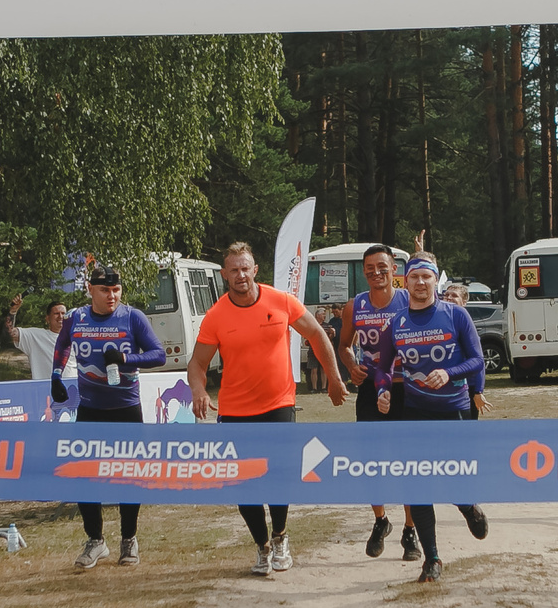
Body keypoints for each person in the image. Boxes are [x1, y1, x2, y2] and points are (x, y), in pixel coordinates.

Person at [186, 242, 347, 575]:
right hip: (235, 410)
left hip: (278, 404)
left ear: (255, 269)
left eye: (246, 268)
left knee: (278, 476)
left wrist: (333, 377)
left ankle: (281, 536)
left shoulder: (281, 301)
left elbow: (316, 335)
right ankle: (262, 546)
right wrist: (199, 390)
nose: (241, 275)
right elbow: (197, 363)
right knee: (244, 484)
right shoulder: (216, 315)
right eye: (234, 270)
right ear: (224, 274)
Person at [52, 266, 170, 569]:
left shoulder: (132, 317)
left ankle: (129, 538)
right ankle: (95, 540)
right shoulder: (76, 318)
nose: (112, 296)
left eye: (116, 290)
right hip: (90, 409)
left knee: (130, 476)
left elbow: (159, 354)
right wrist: (56, 376)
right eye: (105, 290)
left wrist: (127, 358)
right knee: (81, 475)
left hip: (126, 409)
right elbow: (63, 343)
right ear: (91, 289)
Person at [384, 252, 491, 582]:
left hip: (453, 410)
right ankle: (431, 559)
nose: (420, 282)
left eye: (426, 277)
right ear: (406, 281)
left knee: (452, 477)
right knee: (416, 485)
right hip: (415, 413)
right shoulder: (397, 322)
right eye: (414, 277)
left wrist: (449, 372)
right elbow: (383, 367)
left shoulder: (455, 315)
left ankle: (467, 506)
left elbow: (477, 360)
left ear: (435, 280)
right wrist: (382, 390)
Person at [337, 243, 416, 561]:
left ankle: (411, 530)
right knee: (372, 462)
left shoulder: (409, 300)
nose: (376, 273)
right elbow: (344, 345)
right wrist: (351, 367)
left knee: (408, 462)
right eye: (369, 268)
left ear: (393, 267)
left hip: (406, 390)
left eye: (382, 266)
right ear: (364, 271)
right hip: (371, 390)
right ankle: (381, 520)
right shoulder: (354, 306)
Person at [440, 280, 491, 416]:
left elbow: (478, 361)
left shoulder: (467, 327)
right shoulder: (438, 324)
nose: (449, 298)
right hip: (444, 386)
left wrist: (478, 392)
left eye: (454, 296)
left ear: (464, 302)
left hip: (467, 387)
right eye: (446, 295)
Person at [5, 294, 69, 381]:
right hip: (45, 391)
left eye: (63, 313)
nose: (60, 317)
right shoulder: (36, 336)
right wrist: (13, 310)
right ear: (47, 318)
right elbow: (11, 333)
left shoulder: (76, 337)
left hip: (72, 390)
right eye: (56, 313)